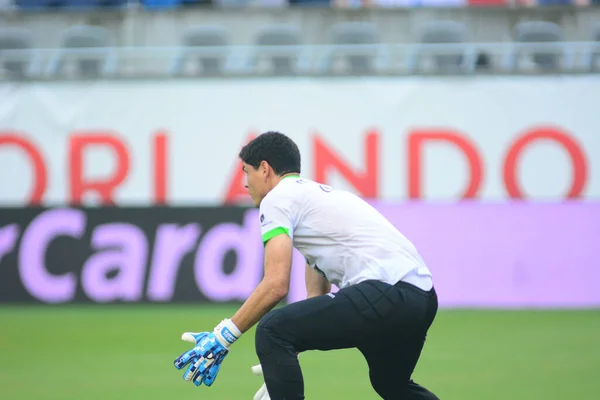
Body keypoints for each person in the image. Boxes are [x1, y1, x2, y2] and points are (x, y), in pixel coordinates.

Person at [173, 131, 439, 400]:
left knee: (271, 328)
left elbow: (276, 285)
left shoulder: (276, 199)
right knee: (390, 383)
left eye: (247, 171)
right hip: (422, 299)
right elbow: (316, 302)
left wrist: (223, 337)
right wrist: (280, 367)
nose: (245, 183)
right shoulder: (314, 200)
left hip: (386, 292)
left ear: (264, 169)